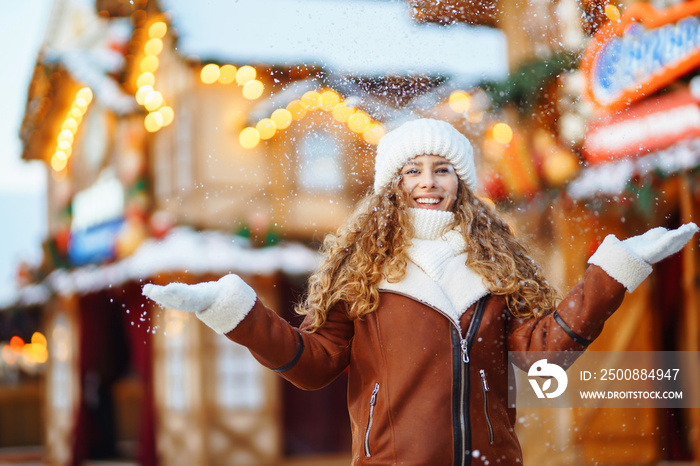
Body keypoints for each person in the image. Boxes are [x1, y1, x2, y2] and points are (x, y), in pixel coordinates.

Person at [143, 119, 698, 465]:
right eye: (413, 171)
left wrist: (615, 269)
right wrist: (232, 312)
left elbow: (541, 357)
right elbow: (314, 364)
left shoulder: (497, 269)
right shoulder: (363, 274)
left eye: (442, 170)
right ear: (393, 184)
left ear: (462, 184)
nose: (428, 182)